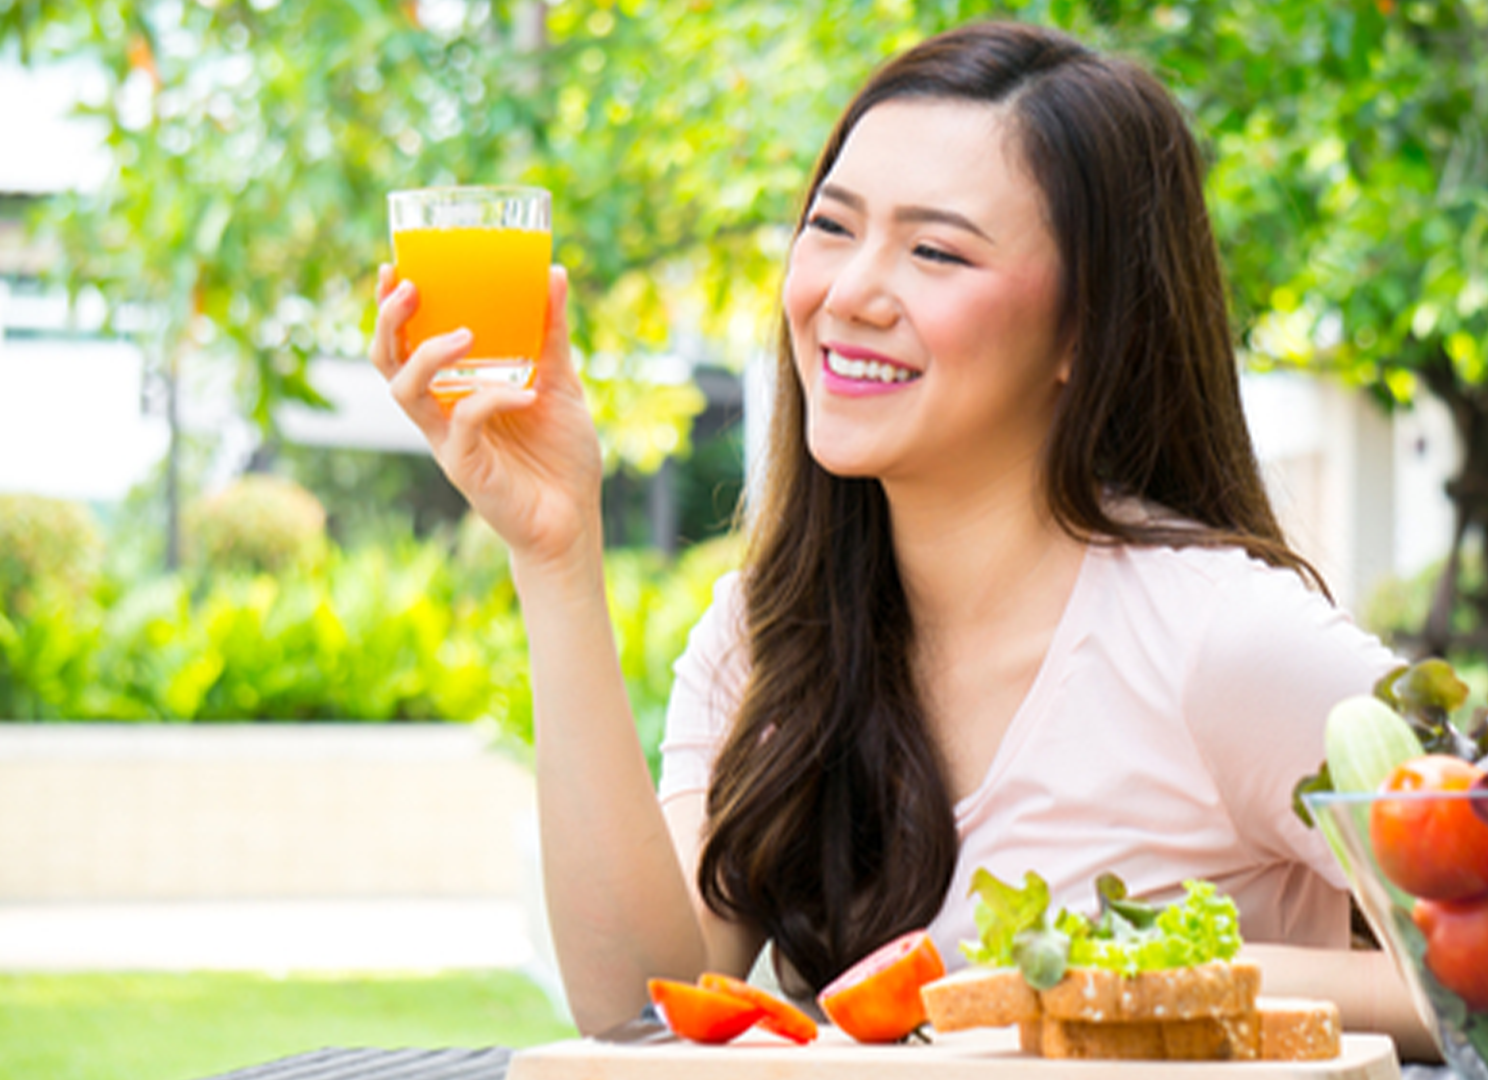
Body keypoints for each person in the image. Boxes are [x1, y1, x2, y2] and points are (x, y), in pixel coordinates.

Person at [370, 19, 1433, 1058]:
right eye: (831, 228)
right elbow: (637, 1010)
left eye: (934, 250)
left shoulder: (1223, 640)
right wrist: (555, 555)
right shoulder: (768, 635)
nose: (848, 294)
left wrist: (1170, 974)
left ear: (1085, 325)